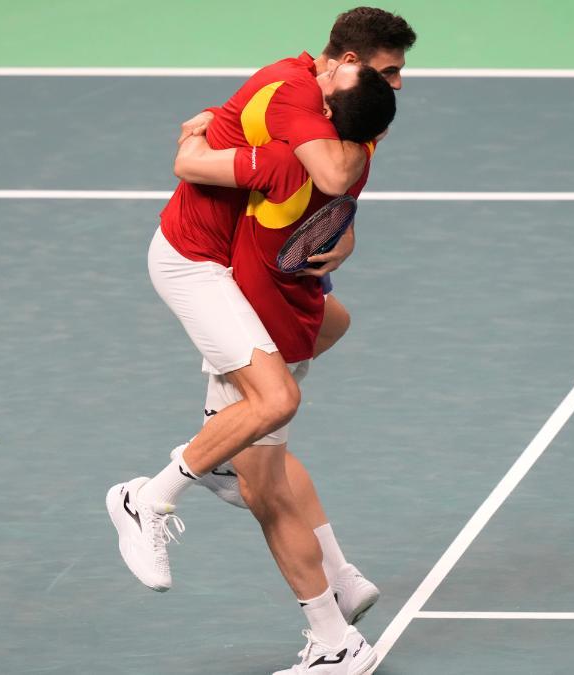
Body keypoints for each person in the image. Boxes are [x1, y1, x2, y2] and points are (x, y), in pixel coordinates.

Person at [170, 64, 394, 674]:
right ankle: (342, 577)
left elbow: (189, 167)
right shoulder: (361, 153)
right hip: (303, 316)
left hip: (256, 319)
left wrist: (199, 131)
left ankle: (336, 643)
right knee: (260, 449)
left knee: (259, 478)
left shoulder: (279, 161)